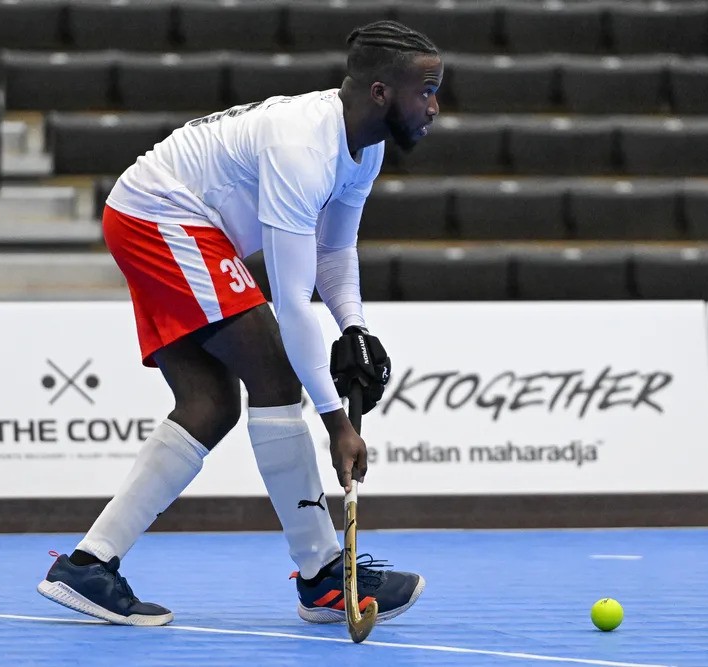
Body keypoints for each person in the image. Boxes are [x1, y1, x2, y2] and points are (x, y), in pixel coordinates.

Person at [37, 20, 442, 627]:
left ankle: (89, 565)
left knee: (210, 402)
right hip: (160, 214)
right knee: (277, 377)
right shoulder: (301, 148)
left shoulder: (367, 146)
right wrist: (336, 423)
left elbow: (334, 255)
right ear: (381, 92)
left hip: (167, 219)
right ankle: (323, 575)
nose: (434, 107)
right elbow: (292, 298)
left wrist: (354, 328)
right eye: (427, 91)